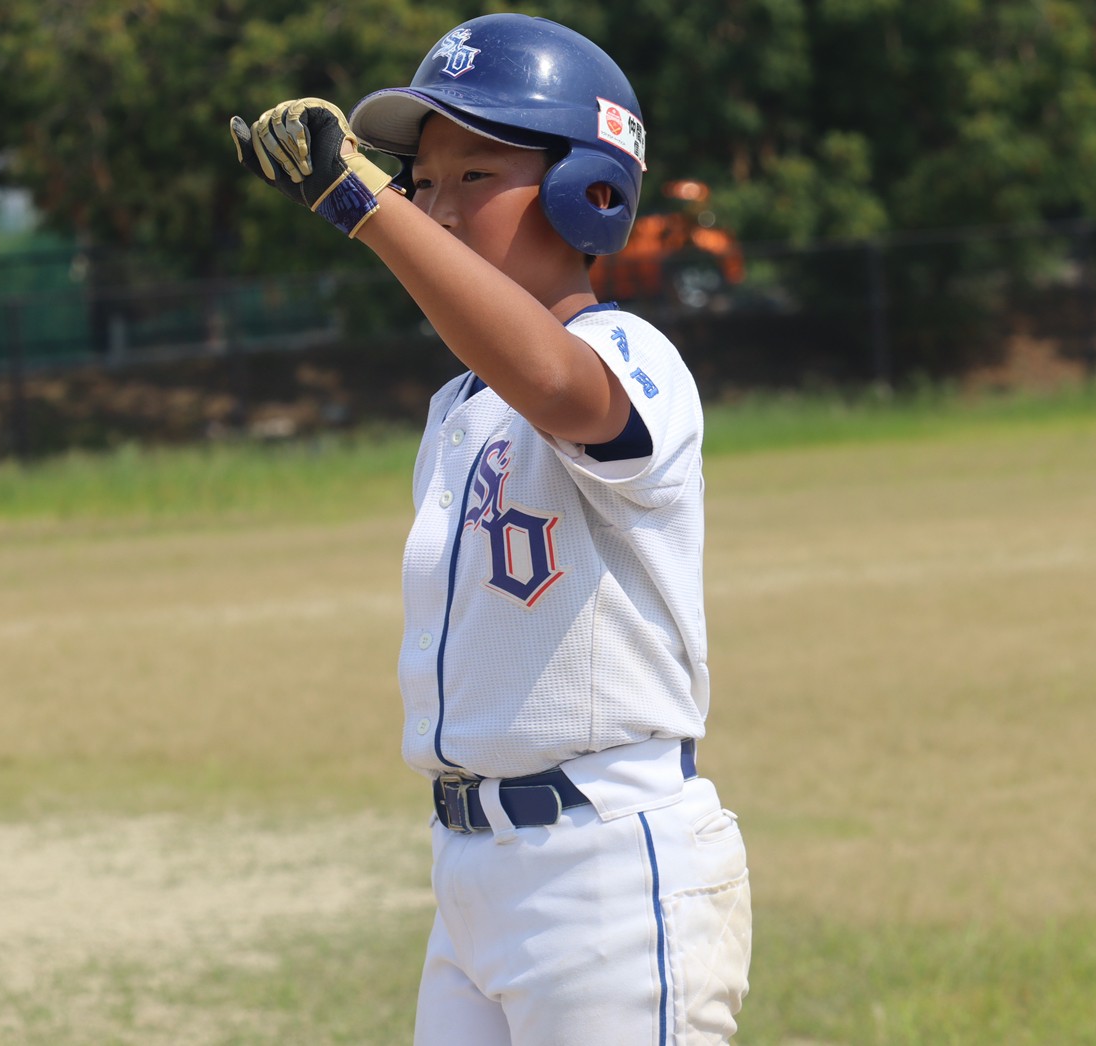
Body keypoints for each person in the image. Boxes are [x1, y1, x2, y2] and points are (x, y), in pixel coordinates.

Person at [231, 14, 751, 1044]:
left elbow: (560, 385)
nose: (432, 205)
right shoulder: (456, 407)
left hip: (601, 862)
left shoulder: (626, 349)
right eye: (420, 180)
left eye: (474, 176)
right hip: (470, 871)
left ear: (582, 190)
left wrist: (361, 203)